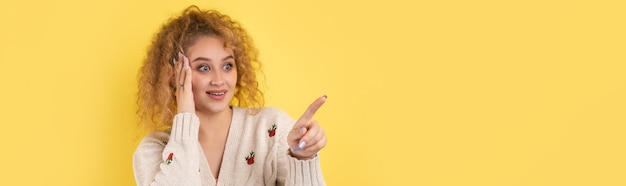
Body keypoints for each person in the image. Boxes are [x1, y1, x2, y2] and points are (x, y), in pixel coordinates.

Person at [133, 5, 328, 186]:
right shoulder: (154, 150)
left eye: (227, 66)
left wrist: (304, 158)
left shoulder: (270, 129)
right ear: (174, 74)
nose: (219, 80)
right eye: (203, 68)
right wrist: (185, 119)